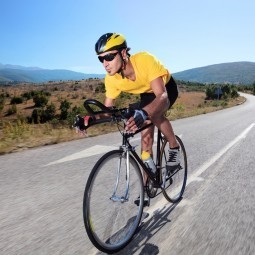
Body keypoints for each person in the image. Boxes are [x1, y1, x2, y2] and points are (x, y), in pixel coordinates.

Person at [80, 33, 180, 206]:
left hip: (164, 89)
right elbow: (107, 110)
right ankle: (147, 188)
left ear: (124, 53)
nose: (105, 63)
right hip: (146, 94)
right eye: (101, 59)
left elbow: (162, 96)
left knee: (154, 115)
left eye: (109, 57)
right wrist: (89, 120)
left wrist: (144, 113)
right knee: (145, 140)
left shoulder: (145, 60)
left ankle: (174, 147)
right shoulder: (111, 79)